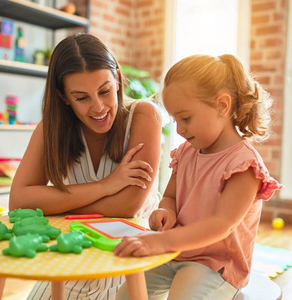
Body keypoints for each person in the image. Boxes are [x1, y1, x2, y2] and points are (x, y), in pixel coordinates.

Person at [114, 54, 283, 300]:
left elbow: (221, 224)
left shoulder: (244, 165)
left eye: (186, 118)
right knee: (127, 294)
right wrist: (166, 211)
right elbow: (170, 195)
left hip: (215, 264)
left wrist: (161, 242)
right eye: (175, 120)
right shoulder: (185, 152)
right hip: (176, 252)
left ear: (222, 105)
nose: (180, 129)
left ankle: (229, 294)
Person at [9, 33, 162, 299]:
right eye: (82, 98)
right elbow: (18, 201)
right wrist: (107, 186)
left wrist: (56, 204)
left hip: (132, 257)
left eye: (104, 91)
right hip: (74, 253)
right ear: (64, 96)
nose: (99, 107)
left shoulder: (144, 115)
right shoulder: (50, 130)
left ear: (116, 78)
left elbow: (128, 206)